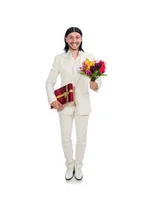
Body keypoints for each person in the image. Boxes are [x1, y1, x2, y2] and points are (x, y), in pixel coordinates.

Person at [45, 27, 102, 181]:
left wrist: (94, 84)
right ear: (66, 39)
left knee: (82, 138)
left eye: (77, 37)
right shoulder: (59, 59)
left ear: (81, 39)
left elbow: (98, 82)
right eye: (71, 37)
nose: (74, 40)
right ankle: (69, 166)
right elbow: (49, 82)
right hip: (65, 105)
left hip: (83, 104)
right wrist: (52, 100)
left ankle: (79, 166)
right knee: (65, 137)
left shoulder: (90, 58)